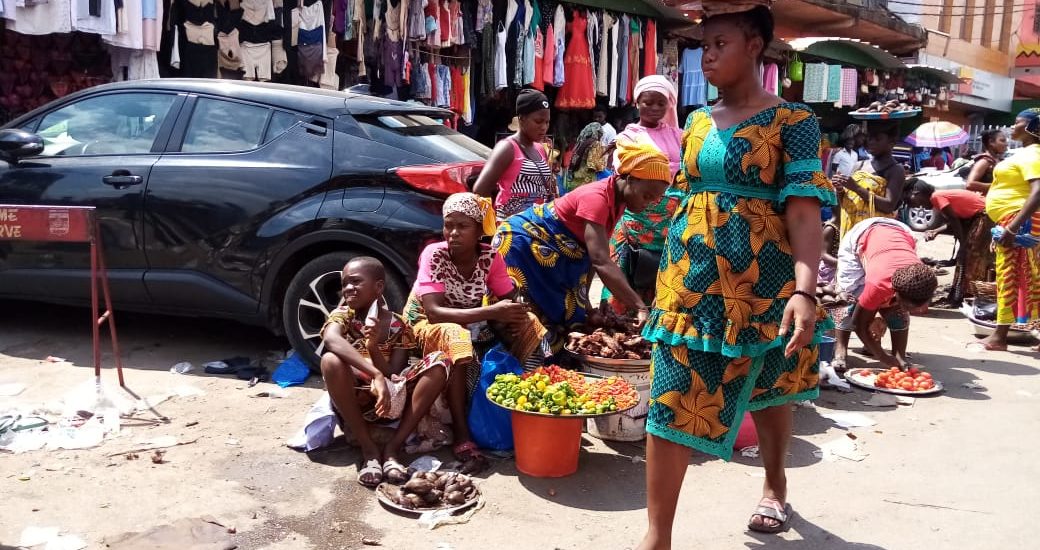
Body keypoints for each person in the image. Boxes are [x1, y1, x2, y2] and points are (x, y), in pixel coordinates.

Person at [636, 6, 835, 547]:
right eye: (703, 46)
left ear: (754, 46)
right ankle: (657, 537)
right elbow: (685, 196)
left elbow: (803, 211)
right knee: (671, 396)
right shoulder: (697, 120)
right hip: (689, 282)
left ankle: (774, 484)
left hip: (764, 283)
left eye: (719, 43)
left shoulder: (793, 122)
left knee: (771, 386)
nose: (708, 55)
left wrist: (805, 290)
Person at [403, 192, 547, 466]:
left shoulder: (490, 257)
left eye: (463, 226)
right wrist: (492, 312)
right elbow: (434, 312)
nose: (453, 233)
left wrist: (517, 312)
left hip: (470, 323)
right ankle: (461, 432)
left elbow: (508, 297)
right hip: (426, 325)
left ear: (479, 230)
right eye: (448, 225)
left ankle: (531, 406)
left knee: (530, 324)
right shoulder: (435, 254)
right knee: (457, 336)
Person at [495, 140, 670, 352]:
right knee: (527, 317)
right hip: (523, 244)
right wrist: (639, 306)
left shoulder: (618, 201)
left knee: (571, 316)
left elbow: (590, 255)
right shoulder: (596, 198)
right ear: (630, 180)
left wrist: (586, 304)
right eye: (646, 196)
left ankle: (550, 361)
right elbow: (601, 260)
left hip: (550, 252)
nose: (647, 204)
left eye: (654, 200)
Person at [320, 257, 450, 487]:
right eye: (345, 283)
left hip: (390, 399)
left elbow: (393, 374)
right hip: (357, 397)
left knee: (439, 363)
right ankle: (369, 449)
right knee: (330, 360)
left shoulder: (398, 325)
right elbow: (331, 339)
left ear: (378, 287)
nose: (348, 288)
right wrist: (374, 375)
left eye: (356, 282)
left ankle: (392, 449)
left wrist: (373, 347)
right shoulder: (343, 316)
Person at [602, 75, 685, 314]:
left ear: (669, 104)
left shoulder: (678, 135)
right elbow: (625, 168)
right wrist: (670, 169)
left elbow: (686, 168)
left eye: (661, 103)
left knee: (666, 275)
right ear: (637, 102)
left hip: (671, 221)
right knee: (625, 266)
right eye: (648, 102)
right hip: (636, 219)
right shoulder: (627, 136)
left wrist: (655, 166)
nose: (654, 108)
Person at [833, 218, 937, 369]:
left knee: (899, 313)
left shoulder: (923, 280)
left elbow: (899, 303)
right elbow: (859, 324)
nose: (910, 310)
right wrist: (882, 356)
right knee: (848, 299)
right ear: (896, 291)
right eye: (907, 305)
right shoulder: (879, 284)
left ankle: (900, 355)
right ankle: (840, 350)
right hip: (861, 236)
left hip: (900, 234)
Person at [979, 109, 1040, 351]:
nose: (1012, 127)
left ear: (1032, 128)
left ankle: (999, 337)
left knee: (1009, 277)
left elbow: (1038, 191)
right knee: (1030, 278)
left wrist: (1012, 229)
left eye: (1017, 123)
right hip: (1014, 219)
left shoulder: (1034, 154)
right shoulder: (1026, 153)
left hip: (1019, 221)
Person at [473, 89, 557, 218]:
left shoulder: (540, 149)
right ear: (522, 119)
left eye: (547, 122)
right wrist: (492, 221)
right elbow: (480, 190)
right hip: (511, 225)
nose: (544, 127)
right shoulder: (507, 148)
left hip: (537, 223)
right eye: (538, 121)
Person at [909, 180, 992, 306]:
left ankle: (968, 296)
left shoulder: (936, 197)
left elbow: (954, 220)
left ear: (920, 194)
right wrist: (936, 231)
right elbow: (955, 220)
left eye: (915, 197)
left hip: (984, 217)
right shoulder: (938, 198)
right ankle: (960, 295)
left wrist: (962, 245)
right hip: (980, 216)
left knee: (971, 257)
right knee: (964, 257)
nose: (919, 205)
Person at [832, 121, 905, 238]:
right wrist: (840, 189)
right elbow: (846, 201)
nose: (871, 142)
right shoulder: (859, 165)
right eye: (869, 137)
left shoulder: (895, 170)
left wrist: (856, 188)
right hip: (851, 230)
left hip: (874, 234)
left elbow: (889, 205)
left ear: (892, 142)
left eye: (877, 139)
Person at [565, 122, 608, 191]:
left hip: (576, 178)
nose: (601, 136)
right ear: (597, 132)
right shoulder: (596, 143)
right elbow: (593, 165)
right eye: (600, 133)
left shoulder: (582, 143)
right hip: (587, 180)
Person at [964, 129, 1008, 194]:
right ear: (991, 142)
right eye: (1002, 141)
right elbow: (970, 184)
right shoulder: (984, 161)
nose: (1006, 144)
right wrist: (999, 186)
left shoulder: (998, 160)